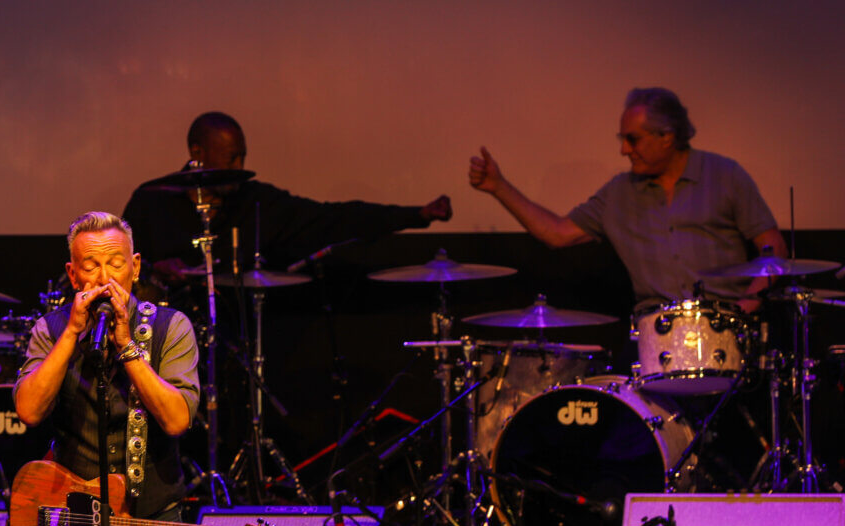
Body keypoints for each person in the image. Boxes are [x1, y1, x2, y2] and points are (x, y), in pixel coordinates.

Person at [13, 211, 200, 526]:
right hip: (73, 520)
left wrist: (127, 348)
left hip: (152, 520)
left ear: (135, 267)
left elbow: (177, 420)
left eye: (115, 263)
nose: (104, 277)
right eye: (90, 267)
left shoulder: (171, 327)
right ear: (73, 273)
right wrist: (73, 333)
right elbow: (29, 410)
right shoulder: (51, 329)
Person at [469, 87, 787, 311]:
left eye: (632, 140)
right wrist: (499, 187)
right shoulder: (619, 193)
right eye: (623, 140)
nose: (624, 150)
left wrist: (748, 306)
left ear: (667, 137)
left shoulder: (725, 175)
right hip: (655, 338)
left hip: (728, 329)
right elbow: (557, 233)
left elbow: (774, 249)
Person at [123, 111, 453, 284]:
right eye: (231, 158)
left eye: (243, 157)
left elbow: (333, 218)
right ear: (198, 152)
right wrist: (151, 271)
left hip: (234, 344)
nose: (240, 168)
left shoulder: (256, 203)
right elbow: (116, 270)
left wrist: (416, 215)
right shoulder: (152, 201)